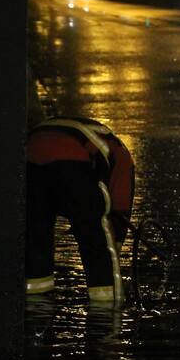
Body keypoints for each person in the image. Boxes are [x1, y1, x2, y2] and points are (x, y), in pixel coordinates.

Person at [26, 117, 134, 306]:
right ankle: (107, 309)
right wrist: (115, 244)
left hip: (31, 152)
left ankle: (35, 303)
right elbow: (120, 204)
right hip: (70, 156)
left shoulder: (99, 135)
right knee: (95, 236)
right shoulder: (122, 155)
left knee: (37, 233)